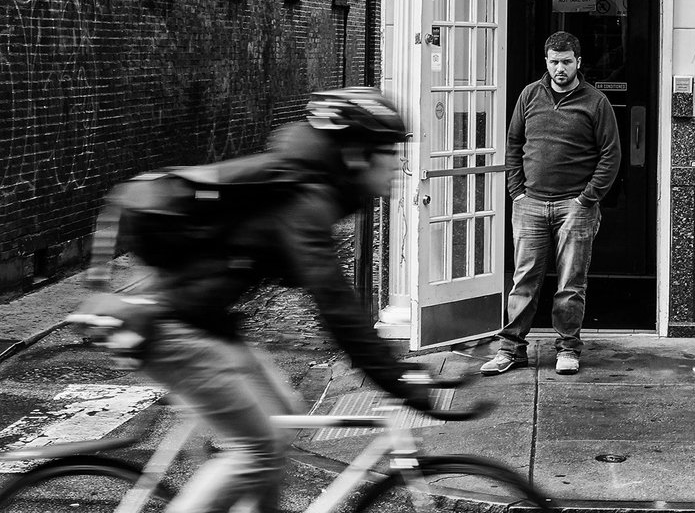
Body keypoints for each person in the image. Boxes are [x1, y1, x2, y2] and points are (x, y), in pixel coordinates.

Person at [87, 87, 430, 513]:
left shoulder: (309, 189)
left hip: (204, 321)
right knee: (260, 450)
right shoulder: (305, 199)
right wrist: (395, 382)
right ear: (358, 153)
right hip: (172, 326)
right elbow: (336, 306)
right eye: (390, 150)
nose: (399, 162)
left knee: (284, 413)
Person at [481, 31, 621, 377]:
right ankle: (511, 349)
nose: (560, 68)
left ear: (578, 63)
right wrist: (517, 191)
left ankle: (567, 349)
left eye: (567, 62)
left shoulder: (596, 102)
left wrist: (587, 199)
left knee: (571, 283)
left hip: (574, 206)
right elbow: (513, 144)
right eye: (554, 62)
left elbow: (610, 155)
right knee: (524, 279)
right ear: (546, 62)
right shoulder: (530, 95)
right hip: (530, 203)